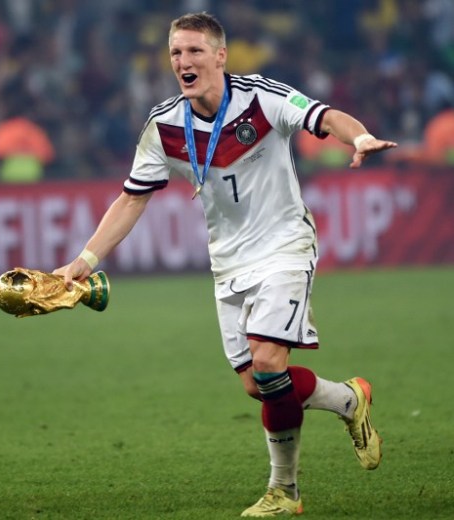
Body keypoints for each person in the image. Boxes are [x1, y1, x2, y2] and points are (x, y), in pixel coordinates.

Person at [53, 12, 397, 517]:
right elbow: (131, 199)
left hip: (284, 246)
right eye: (175, 52)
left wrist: (360, 137)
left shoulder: (263, 97)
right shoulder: (165, 125)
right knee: (259, 386)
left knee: (268, 362)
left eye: (194, 51)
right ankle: (349, 400)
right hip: (228, 263)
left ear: (220, 56)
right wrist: (85, 259)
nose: (183, 61)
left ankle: (285, 492)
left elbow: (325, 117)